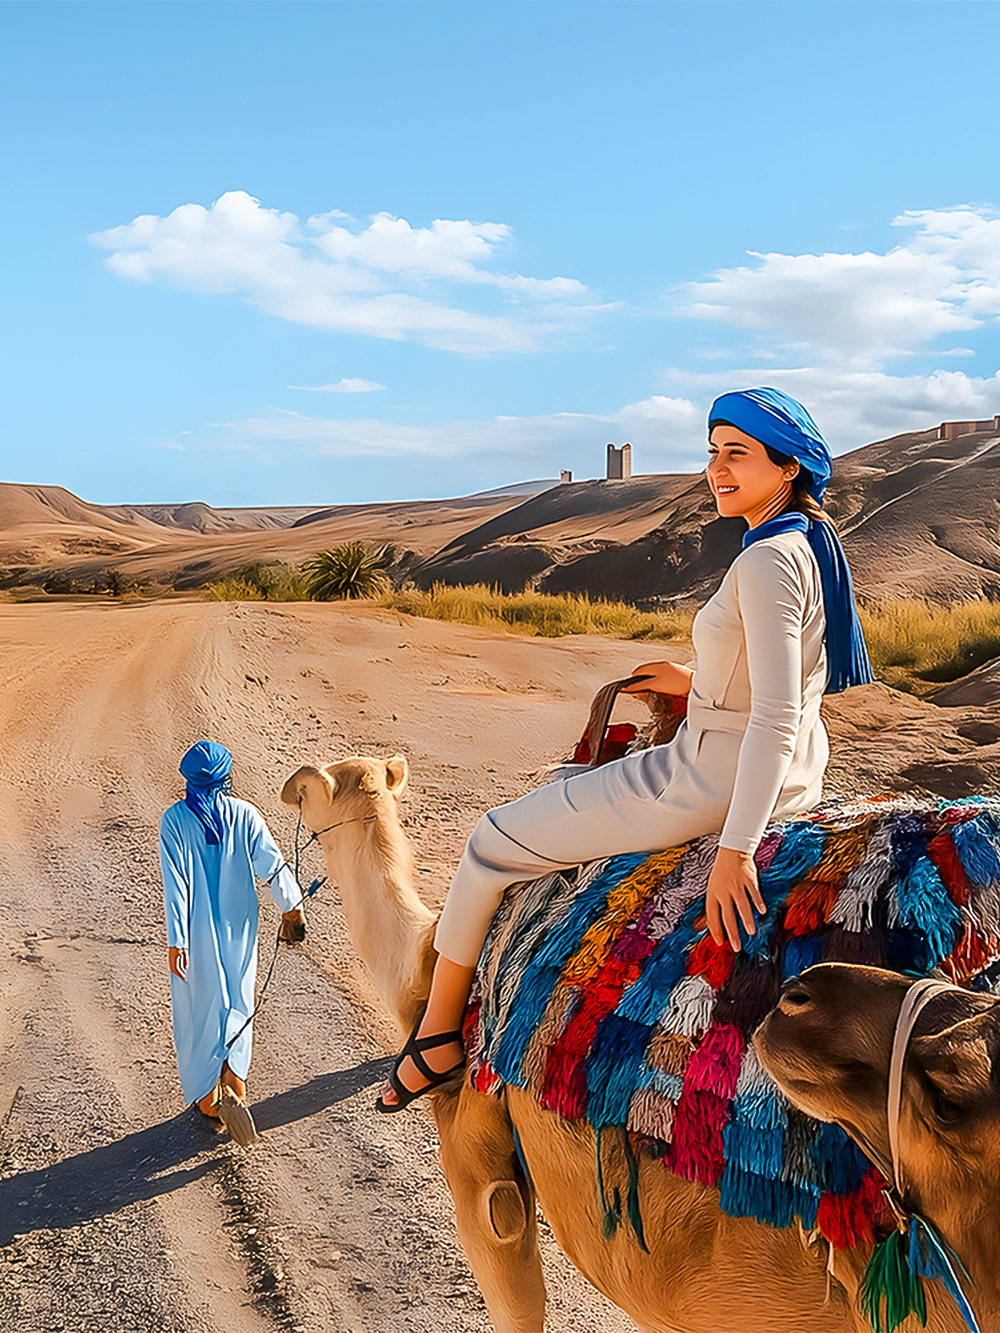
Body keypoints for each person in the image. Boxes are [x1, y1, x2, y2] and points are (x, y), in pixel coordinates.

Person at [377, 387, 873, 1113]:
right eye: (713, 451)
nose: (716, 469)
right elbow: (786, 684)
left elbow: (773, 713)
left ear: (788, 466)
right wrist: (694, 680)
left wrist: (736, 850)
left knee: (489, 840)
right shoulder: (804, 545)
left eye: (737, 453)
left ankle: (437, 1034)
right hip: (788, 770)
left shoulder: (766, 561)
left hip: (709, 777)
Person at [160, 740, 306, 1144]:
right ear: (226, 777)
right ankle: (234, 1083)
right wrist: (292, 908)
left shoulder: (174, 821)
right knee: (238, 1001)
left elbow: (177, 884)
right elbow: (271, 864)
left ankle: (209, 1097)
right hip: (239, 927)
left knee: (199, 1007)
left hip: (196, 933)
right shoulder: (244, 814)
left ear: (188, 779)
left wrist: (177, 941)